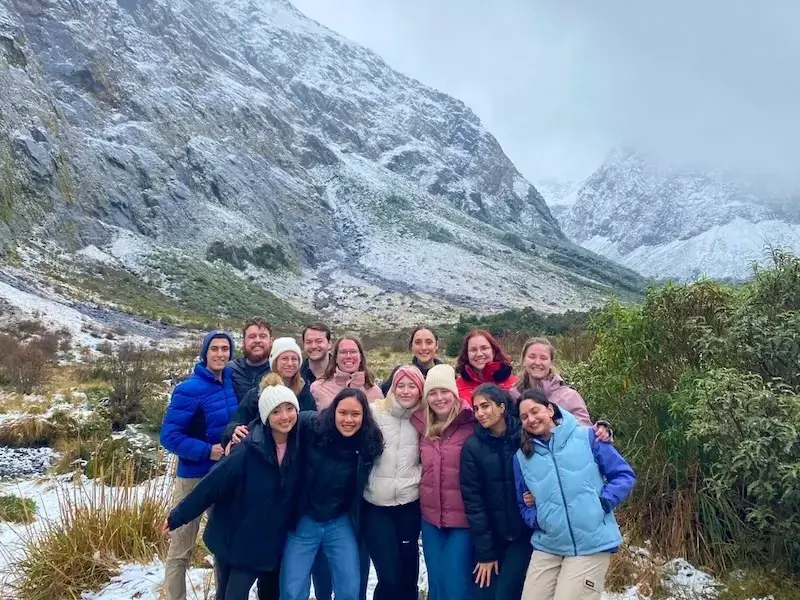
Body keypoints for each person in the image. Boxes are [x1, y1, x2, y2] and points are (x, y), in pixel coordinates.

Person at [162, 374, 302, 600]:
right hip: (240, 539)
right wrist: (179, 515)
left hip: (274, 540)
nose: (284, 417)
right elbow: (212, 484)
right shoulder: (248, 449)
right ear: (266, 416)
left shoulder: (300, 444)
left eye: (289, 409)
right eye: (276, 411)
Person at [514, 390, 636, 600]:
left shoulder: (588, 437)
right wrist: (538, 519)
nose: (531, 419)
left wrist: (602, 504)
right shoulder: (522, 456)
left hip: (591, 542)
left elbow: (623, 475)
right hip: (549, 544)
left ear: (550, 409)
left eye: (535, 411)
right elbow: (523, 502)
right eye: (524, 417)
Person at [280, 389, 384, 600]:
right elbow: (275, 420)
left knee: (349, 588)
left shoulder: (368, 443)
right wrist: (233, 430)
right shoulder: (312, 425)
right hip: (304, 518)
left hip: (339, 520)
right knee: (292, 588)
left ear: (364, 416)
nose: (348, 420)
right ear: (333, 411)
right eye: (343, 413)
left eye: (355, 414)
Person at [160, 330, 238, 600]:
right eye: (214, 349)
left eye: (225, 349)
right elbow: (169, 436)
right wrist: (207, 451)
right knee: (181, 549)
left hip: (223, 477)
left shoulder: (230, 382)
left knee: (223, 546)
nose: (220, 354)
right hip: (193, 477)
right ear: (205, 353)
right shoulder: (188, 389)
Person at [460, 384, 531, 600]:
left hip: (524, 535)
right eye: (476, 408)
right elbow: (474, 502)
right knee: (484, 592)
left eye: (485, 406)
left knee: (507, 592)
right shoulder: (473, 447)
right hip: (493, 536)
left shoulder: (524, 436)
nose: (480, 413)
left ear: (501, 407)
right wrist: (486, 552)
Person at [411, 364, 476, 600]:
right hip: (430, 519)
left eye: (444, 391)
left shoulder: (472, 422)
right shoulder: (419, 424)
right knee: (437, 582)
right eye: (433, 393)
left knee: (456, 583)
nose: (439, 398)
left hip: (463, 519)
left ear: (454, 393)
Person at [363, 366, 425, 600]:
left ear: (421, 391)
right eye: (401, 385)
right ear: (393, 387)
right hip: (376, 506)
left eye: (412, 386)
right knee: (389, 576)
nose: (406, 391)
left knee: (408, 574)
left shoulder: (424, 419)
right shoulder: (374, 412)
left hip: (409, 504)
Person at [222, 337, 315, 448]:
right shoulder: (258, 393)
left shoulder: (303, 390)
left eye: (294, 359)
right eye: (284, 358)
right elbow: (235, 422)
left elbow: (313, 423)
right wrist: (233, 430)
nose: (290, 363)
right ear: (274, 362)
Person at [510, 338, 611, 438]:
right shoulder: (513, 396)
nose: (537, 362)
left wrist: (602, 431)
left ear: (551, 362)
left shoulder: (569, 397)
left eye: (543, 358)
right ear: (523, 360)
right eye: (532, 357)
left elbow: (586, 434)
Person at [310, 336, 383, 410]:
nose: (348, 356)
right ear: (336, 358)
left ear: (360, 357)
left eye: (353, 352)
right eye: (343, 352)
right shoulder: (318, 388)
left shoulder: (375, 392)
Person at [455, 330, 519, 403]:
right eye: (473, 350)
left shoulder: (515, 384)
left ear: (493, 351)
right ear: (466, 355)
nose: (479, 354)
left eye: (484, 348)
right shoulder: (456, 387)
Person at [380, 326, 444, 396]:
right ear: (412, 346)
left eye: (429, 342)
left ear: (436, 345)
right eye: (418, 342)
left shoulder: (447, 374)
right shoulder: (400, 372)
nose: (423, 347)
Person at [230, 317, 273, 403]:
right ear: (243, 342)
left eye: (262, 336)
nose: (257, 340)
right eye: (252, 337)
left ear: (271, 341)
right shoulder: (229, 370)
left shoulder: (278, 370)